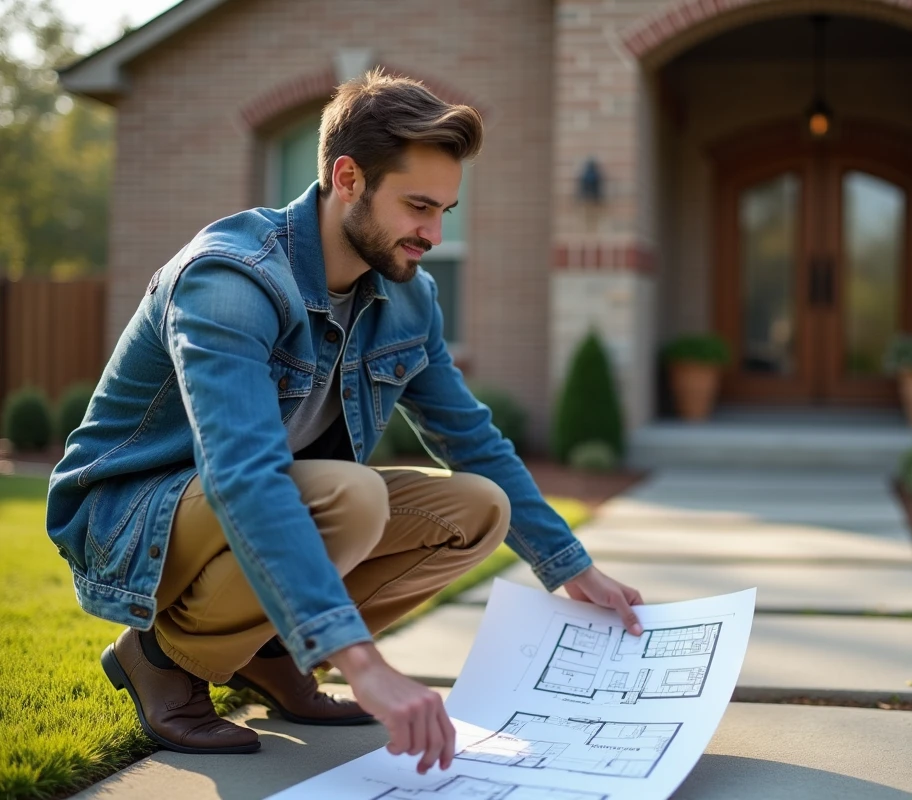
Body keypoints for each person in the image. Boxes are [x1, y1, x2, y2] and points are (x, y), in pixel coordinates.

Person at [45, 68, 643, 775]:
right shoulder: (231, 279)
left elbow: (473, 441)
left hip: (257, 506)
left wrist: (572, 568)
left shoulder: (408, 299)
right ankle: (159, 657)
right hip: (131, 516)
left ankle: (270, 653)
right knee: (351, 498)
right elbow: (243, 476)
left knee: (480, 508)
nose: (434, 234)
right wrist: (362, 661)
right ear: (348, 178)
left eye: (446, 211)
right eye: (418, 207)